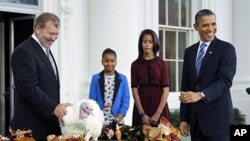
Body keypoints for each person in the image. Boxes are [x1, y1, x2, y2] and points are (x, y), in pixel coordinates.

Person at [11, 12, 71, 141]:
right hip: (31, 128)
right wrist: (54, 107)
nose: (54, 38)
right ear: (38, 29)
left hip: (47, 125)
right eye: (50, 33)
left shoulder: (45, 50)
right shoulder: (24, 51)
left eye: (56, 34)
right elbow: (28, 87)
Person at [179, 9, 237, 141]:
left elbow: (225, 81)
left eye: (213, 24)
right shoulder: (189, 52)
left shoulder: (226, 49)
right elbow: (186, 87)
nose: (211, 28)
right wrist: (184, 119)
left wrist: (199, 95)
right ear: (196, 27)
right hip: (196, 123)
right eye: (205, 25)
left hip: (218, 123)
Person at [131, 29, 171, 127]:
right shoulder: (135, 65)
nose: (147, 45)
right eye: (144, 42)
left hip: (159, 105)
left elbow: (166, 90)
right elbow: (134, 90)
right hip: (141, 105)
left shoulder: (162, 63)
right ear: (141, 44)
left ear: (155, 43)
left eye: (150, 42)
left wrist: (158, 114)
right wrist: (142, 114)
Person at [89, 48, 130, 127]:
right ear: (102, 62)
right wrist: (96, 118)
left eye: (112, 61)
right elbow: (92, 101)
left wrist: (118, 119)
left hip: (118, 121)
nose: (109, 63)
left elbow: (125, 101)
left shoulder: (123, 79)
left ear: (116, 62)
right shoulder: (95, 78)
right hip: (100, 122)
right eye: (106, 61)